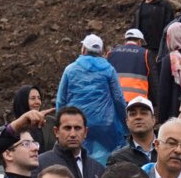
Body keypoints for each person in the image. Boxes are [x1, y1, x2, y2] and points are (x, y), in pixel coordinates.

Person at [54, 35, 128, 164]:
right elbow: (118, 99)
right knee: (109, 159)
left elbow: (61, 100)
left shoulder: (70, 69)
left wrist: (59, 124)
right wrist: (125, 125)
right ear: (101, 52)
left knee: (79, 158)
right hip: (105, 124)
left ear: (83, 50)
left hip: (77, 123)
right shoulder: (108, 70)